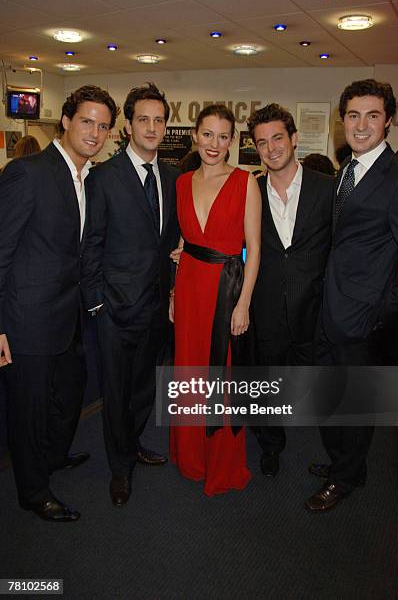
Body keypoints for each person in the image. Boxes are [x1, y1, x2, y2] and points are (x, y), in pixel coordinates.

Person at [0, 85, 118, 522]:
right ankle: (33, 491)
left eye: (104, 125)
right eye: (87, 121)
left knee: (67, 397)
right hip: (26, 319)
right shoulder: (28, 173)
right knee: (28, 410)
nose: (95, 132)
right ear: (65, 121)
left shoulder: (89, 177)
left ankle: (50, 457)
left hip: (69, 318)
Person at [306, 79, 398, 511]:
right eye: (353, 115)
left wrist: (383, 307)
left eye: (372, 115)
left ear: (387, 121)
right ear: (342, 119)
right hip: (329, 307)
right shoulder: (344, 166)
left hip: (364, 315)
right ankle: (344, 463)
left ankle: (346, 477)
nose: (361, 125)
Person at [81, 83, 179, 507]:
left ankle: (134, 442)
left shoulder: (173, 177)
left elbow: (172, 239)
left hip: (157, 308)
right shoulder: (103, 177)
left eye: (159, 120)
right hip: (115, 310)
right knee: (117, 392)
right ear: (128, 125)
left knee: (143, 388)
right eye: (144, 119)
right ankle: (120, 467)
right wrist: (99, 303)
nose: (152, 127)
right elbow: (90, 246)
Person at [169, 104, 261, 496]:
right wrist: (174, 291)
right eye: (208, 134)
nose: (215, 144)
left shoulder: (245, 182)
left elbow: (255, 249)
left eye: (224, 136)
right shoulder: (181, 181)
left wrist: (243, 304)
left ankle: (220, 463)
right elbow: (183, 242)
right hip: (189, 288)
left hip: (226, 289)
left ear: (232, 142)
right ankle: (190, 457)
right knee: (189, 372)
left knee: (220, 378)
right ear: (195, 135)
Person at [246, 104, 334, 477]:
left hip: (314, 309)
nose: (271, 148)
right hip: (265, 309)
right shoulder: (248, 191)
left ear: (294, 139)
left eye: (278, 138)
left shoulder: (328, 189)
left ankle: (339, 458)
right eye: (262, 142)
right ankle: (270, 446)